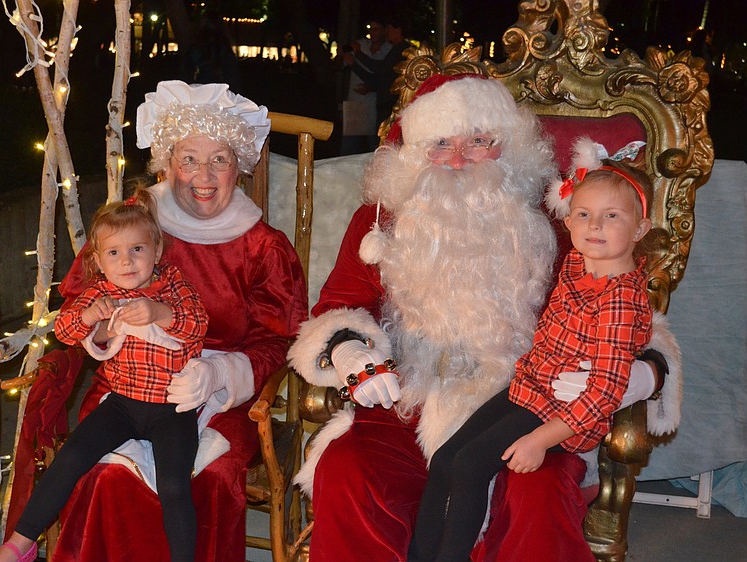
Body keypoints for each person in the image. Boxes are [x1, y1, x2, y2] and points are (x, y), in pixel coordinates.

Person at [287, 74, 679, 562]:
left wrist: (637, 376)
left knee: (536, 494)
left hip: (524, 404)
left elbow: (630, 314)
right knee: (348, 471)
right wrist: (348, 350)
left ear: (507, 146)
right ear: (415, 153)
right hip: (403, 405)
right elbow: (339, 306)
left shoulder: (559, 223)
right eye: (441, 144)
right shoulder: (381, 221)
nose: (457, 159)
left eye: (478, 142)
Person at [6, 81, 307, 562]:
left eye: (219, 160)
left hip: (220, 396)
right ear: (168, 163)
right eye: (188, 159)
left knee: (211, 475)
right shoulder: (132, 227)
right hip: (124, 381)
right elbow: (81, 301)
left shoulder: (263, 247)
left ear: (240, 168)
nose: (202, 177)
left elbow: (280, 339)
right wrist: (103, 333)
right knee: (101, 472)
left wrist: (220, 374)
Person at [408, 145, 655, 561]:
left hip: (563, 413)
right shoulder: (577, 264)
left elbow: (604, 394)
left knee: (470, 466)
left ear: (640, 229)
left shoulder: (621, 301)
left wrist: (540, 440)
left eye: (612, 216)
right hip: (528, 386)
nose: (594, 225)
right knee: (447, 456)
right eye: (582, 214)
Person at [0, 188, 209, 562]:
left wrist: (158, 313)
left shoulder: (172, 286)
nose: (127, 261)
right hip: (122, 404)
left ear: (156, 251)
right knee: (71, 457)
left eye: (137, 249)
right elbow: (66, 331)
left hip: (173, 407)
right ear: (100, 262)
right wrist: (91, 318)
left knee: (173, 483)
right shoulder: (101, 292)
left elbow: (198, 324)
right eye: (114, 253)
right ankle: (19, 546)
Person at [344, 17, 409, 130]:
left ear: (398, 30)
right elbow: (379, 76)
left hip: (390, 105)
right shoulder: (395, 49)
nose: (386, 32)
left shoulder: (401, 50)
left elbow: (380, 69)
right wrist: (353, 64)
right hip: (382, 105)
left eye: (388, 29)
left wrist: (358, 55)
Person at [340, 18, 391, 155]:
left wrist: (372, 87)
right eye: (370, 29)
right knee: (349, 146)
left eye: (376, 29)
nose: (372, 33)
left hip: (375, 103)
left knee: (375, 145)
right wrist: (345, 56)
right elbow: (343, 59)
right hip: (355, 101)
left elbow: (383, 75)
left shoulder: (389, 50)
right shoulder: (361, 44)